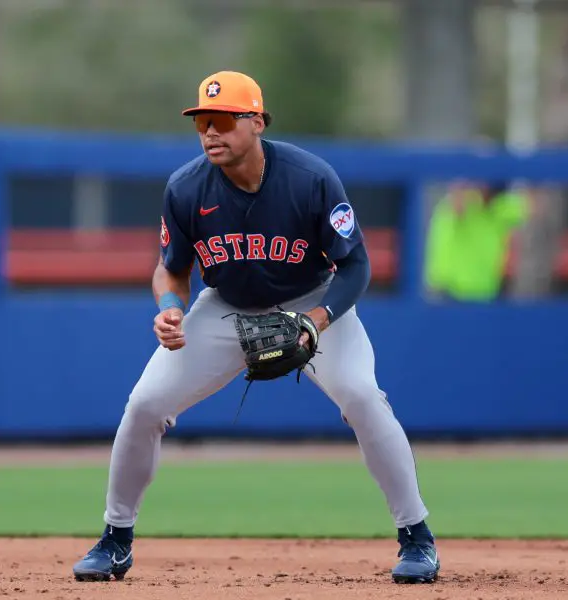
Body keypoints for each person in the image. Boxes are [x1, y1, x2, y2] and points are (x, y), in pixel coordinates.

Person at [72, 71, 439, 585]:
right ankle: (115, 539)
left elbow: (355, 266)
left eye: (222, 120)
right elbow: (171, 266)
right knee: (146, 404)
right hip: (226, 306)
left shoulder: (310, 179)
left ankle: (417, 538)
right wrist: (171, 305)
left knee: (360, 396)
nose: (209, 133)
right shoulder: (186, 188)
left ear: (258, 122)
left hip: (310, 302)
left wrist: (316, 321)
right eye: (202, 122)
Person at [424, 181, 532, 302]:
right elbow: (457, 204)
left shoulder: (504, 206)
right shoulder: (459, 203)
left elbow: (528, 208)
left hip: (486, 293)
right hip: (449, 291)